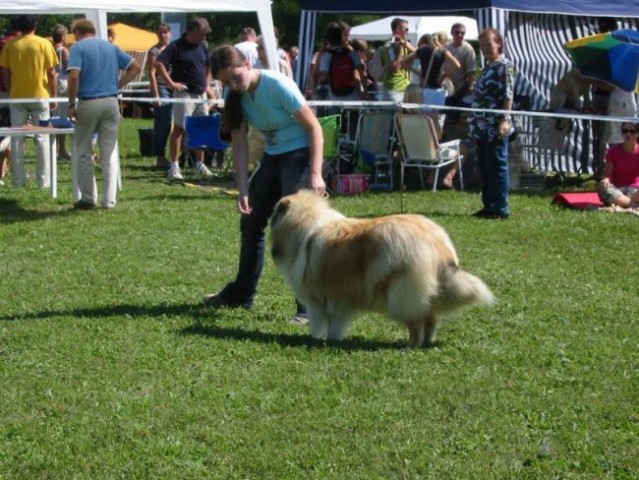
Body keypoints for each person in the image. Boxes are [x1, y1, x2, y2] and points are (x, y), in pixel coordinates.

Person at [203, 45, 326, 325]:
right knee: (250, 223)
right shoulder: (236, 96)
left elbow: (314, 128)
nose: (233, 85)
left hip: (300, 155)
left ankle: (308, 307)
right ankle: (242, 293)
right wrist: (243, 188)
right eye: (226, 82)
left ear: (247, 63)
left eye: (235, 77)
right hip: (273, 156)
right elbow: (240, 144)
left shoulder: (277, 84)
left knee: (296, 231)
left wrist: (316, 174)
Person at [67, 19, 141, 209]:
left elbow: (74, 76)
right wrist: (119, 85)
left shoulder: (78, 48)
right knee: (109, 152)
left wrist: (71, 103)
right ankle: (109, 200)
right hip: (111, 102)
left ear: (77, 32)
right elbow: (136, 67)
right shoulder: (111, 47)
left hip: (89, 102)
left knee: (83, 150)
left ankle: (88, 197)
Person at [154, 17, 218, 180]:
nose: (205, 37)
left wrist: (207, 81)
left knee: (200, 128)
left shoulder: (203, 46)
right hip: (184, 94)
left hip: (200, 93)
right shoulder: (175, 46)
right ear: (193, 31)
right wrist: (171, 83)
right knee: (179, 129)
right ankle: (174, 166)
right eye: (202, 34)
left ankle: (199, 164)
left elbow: (208, 64)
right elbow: (159, 64)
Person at [0, 14, 58, 189]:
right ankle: (44, 181)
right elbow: (52, 73)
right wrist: (54, 96)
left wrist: (11, 90)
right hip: (40, 95)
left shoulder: (10, 44)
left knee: (17, 139)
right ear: (35, 26)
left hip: (17, 96)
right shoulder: (44, 43)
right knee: (42, 138)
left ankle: (18, 181)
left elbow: (5, 72)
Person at [470, 28, 514, 219]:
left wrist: (504, 120)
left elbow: (508, 95)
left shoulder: (506, 66)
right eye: (482, 45)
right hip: (481, 125)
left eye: (489, 44)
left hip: (496, 125)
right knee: (486, 165)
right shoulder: (486, 67)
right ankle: (488, 205)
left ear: (499, 44)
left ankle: (499, 208)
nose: (485, 48)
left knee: (497, 165)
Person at [442, 22, 477, 141]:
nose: (460, 35)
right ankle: (446, 141)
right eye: (457, 32)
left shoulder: (468, 49)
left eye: (462, 33)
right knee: (446, 118)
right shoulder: (446, 46)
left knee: (462, 119)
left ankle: (462, 144)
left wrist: (471, 87)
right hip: (446, 88)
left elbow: (471, 71)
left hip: (462, 88)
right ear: (452, 33)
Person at [147, 22, 172, 170]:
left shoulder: (173, 49)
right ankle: (160, 156)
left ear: (170, 33)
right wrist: (155, 95)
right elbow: (151, 74)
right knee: (163, 122)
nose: (163, 35)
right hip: (161, 88)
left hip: (175, 88)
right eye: (160, 32)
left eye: (166, 32)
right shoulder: (154, 51)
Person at [597, 122, 639, 209]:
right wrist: (605, 180)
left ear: (637, 134)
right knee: (602, 187)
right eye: (625, 131)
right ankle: (634, 205)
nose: (628, 134)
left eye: (632, 131)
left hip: (636, 191)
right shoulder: (613, 150)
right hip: (617, 189)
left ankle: (623, 201)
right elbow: (608, 175)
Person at [380, 17, 416, 102]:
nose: (407, 32)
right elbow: (395, 68)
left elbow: (419, 53)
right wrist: (400, 51)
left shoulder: (405, 44)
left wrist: (405, 44)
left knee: (404, 115)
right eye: (406, 29)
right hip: (394, 90)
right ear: (397, 29)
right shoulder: (389, 46)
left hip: (405, 88)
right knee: (395, 115)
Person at [51, 23, 71, 161]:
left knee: (55, 117)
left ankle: (57, 148)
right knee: (63, 117)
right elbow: (70, 68)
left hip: (53, 84)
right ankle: (62, 149)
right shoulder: (64, 50)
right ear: (63, 36)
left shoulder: (50, 48)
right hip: (63, 83)